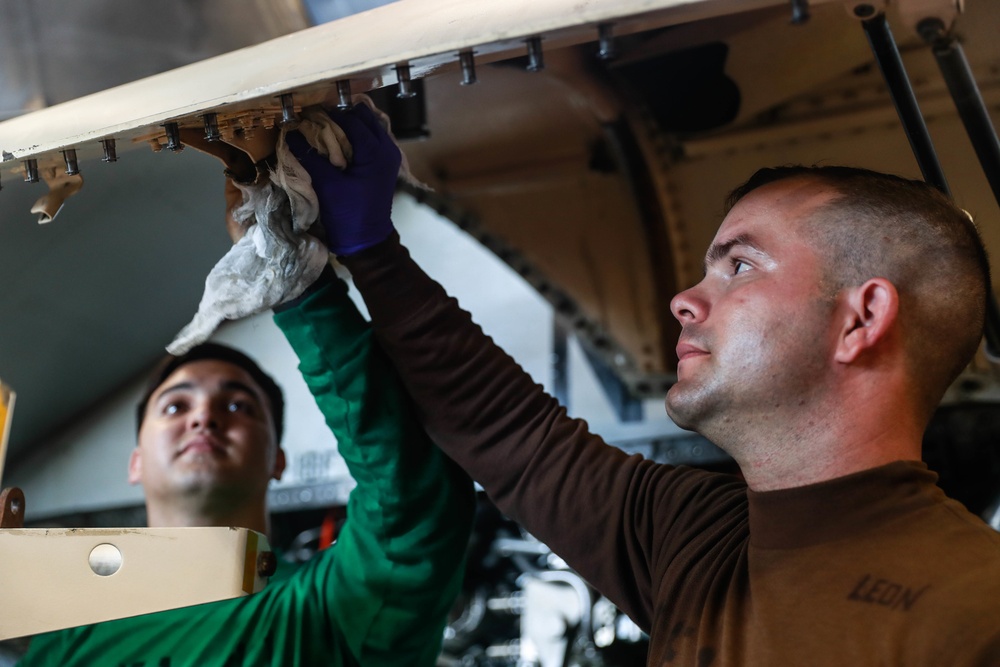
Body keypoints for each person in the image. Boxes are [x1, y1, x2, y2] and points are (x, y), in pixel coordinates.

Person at [286, 103, 1000, 665]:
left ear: (862, 318)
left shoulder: (976, 609)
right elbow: (512, 435)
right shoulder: (694, 536)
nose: (685, 299)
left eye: (740, 266)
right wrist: (370, 251)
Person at [18, 265, 474, 663]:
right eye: (175, 407)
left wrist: (299, 283)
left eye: (237, 407)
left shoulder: (332, 608)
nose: (203, 416)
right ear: (136, 463)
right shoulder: (70, 641)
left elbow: (412, 499)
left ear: (277, 460)